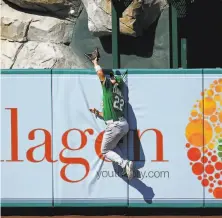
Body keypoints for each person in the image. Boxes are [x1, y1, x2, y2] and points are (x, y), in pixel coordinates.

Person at [85, 48, 134, 180]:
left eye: (112, 78)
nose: (110, 78)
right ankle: (126, 165)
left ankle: (125, 163)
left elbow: (100, 73)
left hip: (115, 125)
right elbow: (110, 112)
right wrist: (98, 113)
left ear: (115, 82)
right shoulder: (119, 92)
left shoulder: (108, 88)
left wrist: (95, 62)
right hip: (123, 124)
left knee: (105, 151)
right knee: (111, 148)